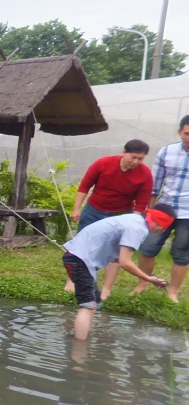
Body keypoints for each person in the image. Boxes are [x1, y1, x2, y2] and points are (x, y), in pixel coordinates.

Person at [63, 206, 174, 339]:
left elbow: (118, 255)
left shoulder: (134, 219)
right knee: (88, 305)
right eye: (163, 226)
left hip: (78, 257)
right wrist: (148, 279)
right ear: (156, 220)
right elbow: (124, 262)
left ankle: (83, 337)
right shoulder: (137, 229)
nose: (163, 230)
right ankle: (79, 347)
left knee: (94, 303)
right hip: (79, 259)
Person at [64, 139, 153, 296]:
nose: (136, 162)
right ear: (124, 152)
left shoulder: (145, 174)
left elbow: (142, 201)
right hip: (94, 209)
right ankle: (71, 281)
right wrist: (76, 209)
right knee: (81, 245)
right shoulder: (103, 163)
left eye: (140, 159)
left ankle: (106, 289)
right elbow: (85, 185)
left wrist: (133, 221)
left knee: (115, 252)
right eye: (133, 157)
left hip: (121, 213)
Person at [134, 116, 189, 303]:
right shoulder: (167, 152)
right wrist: (150, 210)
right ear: (180, 132)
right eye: (187, 133)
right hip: (163, 209)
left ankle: (172, 292)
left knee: (182, 252)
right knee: (148, 247)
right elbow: (155, 183)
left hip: (187, 213)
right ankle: (142, 284)